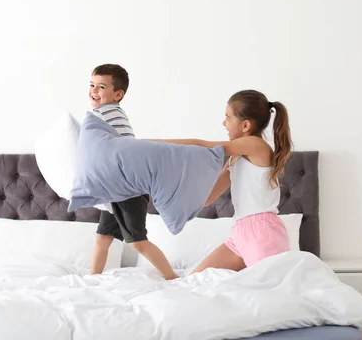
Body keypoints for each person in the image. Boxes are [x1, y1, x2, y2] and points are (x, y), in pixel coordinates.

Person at [152, 89, 292, 274]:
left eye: (228, 117)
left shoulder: (257, 146)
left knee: (270, 293)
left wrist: (150, 146)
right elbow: (208, 197)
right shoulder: (236, 159)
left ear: (245, 125)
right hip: (241, 234)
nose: (223, 123)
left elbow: (202, 147)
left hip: (262, 234)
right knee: (195, 279)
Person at [87, 63, 177, 280]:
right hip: (115, 189)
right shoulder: (106, 113)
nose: (93, 91)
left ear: (118, 94)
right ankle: (91, 279)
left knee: (137, 240)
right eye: (91, 85)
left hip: (129, 188)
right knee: (102, 237)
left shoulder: (106, 113)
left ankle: (173, 278)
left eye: (101, 87)